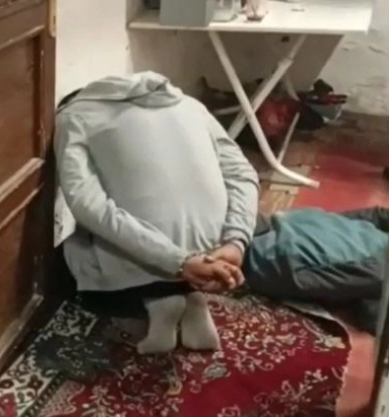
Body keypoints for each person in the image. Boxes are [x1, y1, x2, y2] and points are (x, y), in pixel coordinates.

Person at [54, 72, 259, 353]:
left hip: (179, 267)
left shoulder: (72, 116)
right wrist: (236, 242)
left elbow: (87, 204)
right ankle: (189, 297)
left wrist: (180, 262)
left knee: (69, 257)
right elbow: (242, 173)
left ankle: (157, 301)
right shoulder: (190, 104)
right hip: (218, 259)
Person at [240, 206, 389, 335]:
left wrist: (329, 225)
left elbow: (377, 214)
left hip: (291, 223)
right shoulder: (377, 275)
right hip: (272, 254)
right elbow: (300, 281)